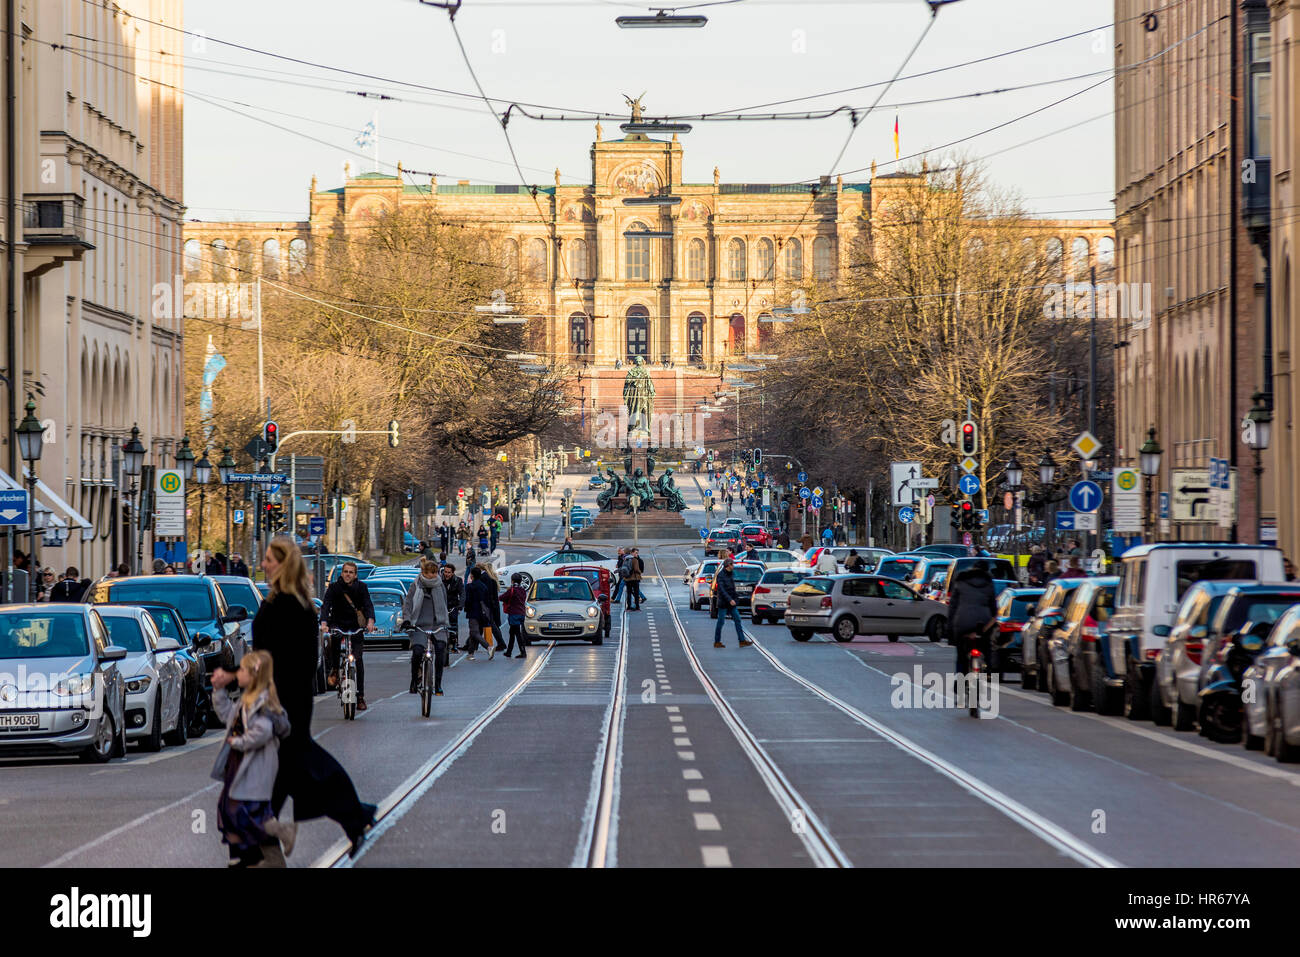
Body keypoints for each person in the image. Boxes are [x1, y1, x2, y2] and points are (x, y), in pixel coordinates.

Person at [220, 536, 376, 859]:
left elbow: (283, 661)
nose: (263, 564)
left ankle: (250, 848)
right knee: (292, 772)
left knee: (289, 770)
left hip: (282, 703)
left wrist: (243, 679)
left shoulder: (290, 607)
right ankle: (353, 816)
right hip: (280, 701)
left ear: (284, 565)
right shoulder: (284, 602)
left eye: (269, 560)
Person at [210, 648, 291, 868]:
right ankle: (251, 857)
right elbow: (229, 717)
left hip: (253, 764)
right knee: (233, 810)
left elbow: (262, 731)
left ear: (253, 675)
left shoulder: (260, 704)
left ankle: (273, 847)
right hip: (240, 763)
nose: (238, 673)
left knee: (245, 812)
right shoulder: (246, 700)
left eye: (243, 670)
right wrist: (218, 692)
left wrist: (239, 742)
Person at [319, 561, 376, 711]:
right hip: (338, 623)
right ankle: (335, 670)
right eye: (345, 572)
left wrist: (370, 622)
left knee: (358, 659)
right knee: (335, 640)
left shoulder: (362, 588)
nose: (348, 574)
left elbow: (368, 605)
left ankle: (361, 697)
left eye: (351, 572)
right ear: (342, 573)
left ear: (355, 575)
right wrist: (324, 623)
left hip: (356, 626)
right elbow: (326, 605)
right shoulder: (334, 588)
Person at [401, 559, 450, 696]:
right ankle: (414, 680)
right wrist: (407, 620)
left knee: (440, 650)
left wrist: (447, 622)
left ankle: (438, 684)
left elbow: (444, 605)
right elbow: (408, 604)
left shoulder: (440, 586)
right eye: (430, 573)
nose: (434, 576)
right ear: (423, 572)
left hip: (438, 624)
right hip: (419, 624)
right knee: (417, 652)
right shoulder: (415, 585)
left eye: (435, 573)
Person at [947, 559, 998, 676]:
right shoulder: (988, 582)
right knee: (986, 646)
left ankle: (959, 678)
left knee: (961, 656)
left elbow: (952, 607)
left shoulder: (960, 581)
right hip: (983, 623)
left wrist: (950, 632)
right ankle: (988, 670)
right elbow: (994, 608)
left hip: (962, 622)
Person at [712, 558, 751, 649]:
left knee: (737, 619)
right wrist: (729, 599)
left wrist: (735, 599)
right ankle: (717, 641)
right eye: (732, 564)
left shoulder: (731, 574)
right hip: (724, 603)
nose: (733, 566)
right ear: (728, 566)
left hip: (731, 602)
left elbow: (732, 588)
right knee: (721, 622)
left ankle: (742, 641)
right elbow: (721, 590)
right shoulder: (721, 575)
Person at [462, 565, 497, 660]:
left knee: (474, 632)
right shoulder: (483, 586)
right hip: (483, 613)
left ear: (472, 575)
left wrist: (465, 608)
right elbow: (487, 600)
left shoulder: (470, 586)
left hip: (473, 612)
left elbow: (468, 600)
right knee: (473, 633)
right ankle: (470, 654)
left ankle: (488, 647)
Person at [501, 573, 529, 658]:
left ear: (512, 580)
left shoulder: (512, 590)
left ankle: (523, 652)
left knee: (517, 633)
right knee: (512, 632)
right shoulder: (523, 590)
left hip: (514, 614)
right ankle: (509, 652)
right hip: (522, 613)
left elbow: (501, 597)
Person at [441, 562, 463, 652]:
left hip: (453, 605)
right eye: (445, 572)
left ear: (453, 573)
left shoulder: (458, 580)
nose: (447, 574)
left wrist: (460, 606)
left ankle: (454, 644)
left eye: (449, 572)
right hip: (442, 606)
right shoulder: (439, 581)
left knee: (453, 625)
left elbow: (462, 593)